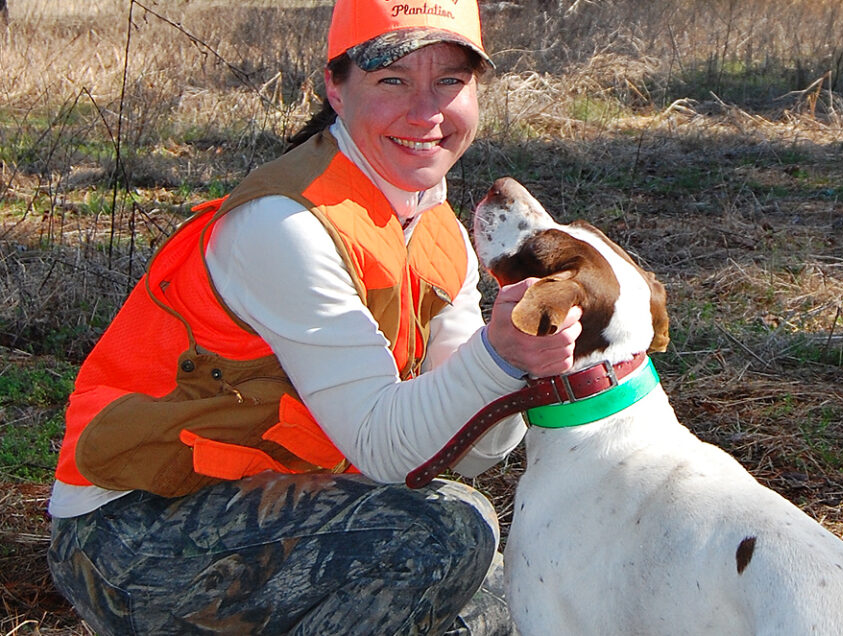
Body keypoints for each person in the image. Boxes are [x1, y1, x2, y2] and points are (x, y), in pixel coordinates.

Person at [46, 0, 582, 633]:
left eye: (449, 80)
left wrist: (523, 364)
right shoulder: (285, 225)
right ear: (335, 86)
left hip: (279, 502)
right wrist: (496, 362)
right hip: (130, 531)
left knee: (503, 595)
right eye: (392, 80)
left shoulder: (441, 234)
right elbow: (389, 453)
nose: (426, 111)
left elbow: (464, 452)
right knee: (449, 532)